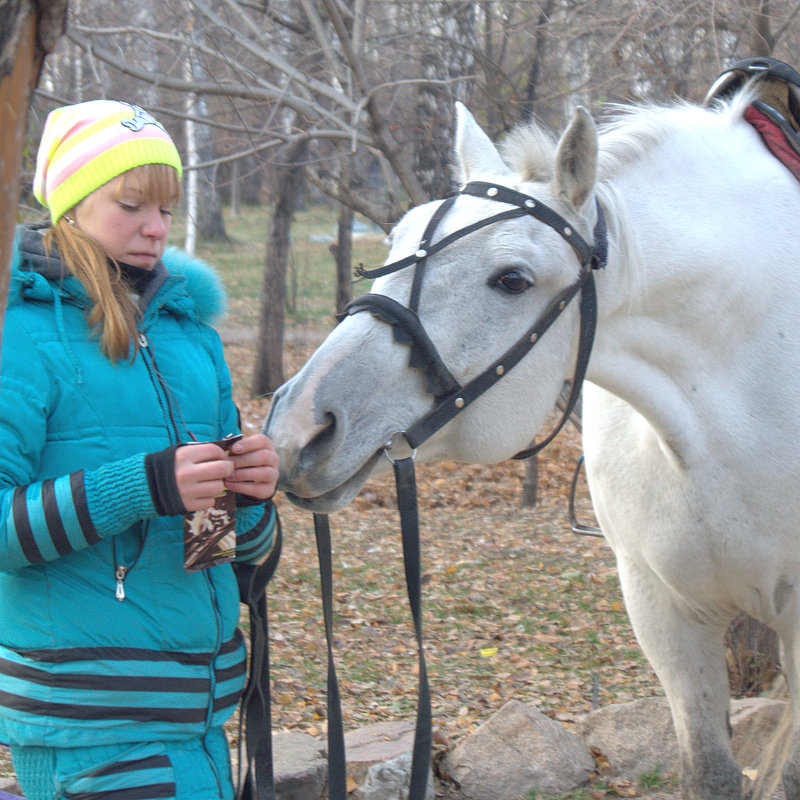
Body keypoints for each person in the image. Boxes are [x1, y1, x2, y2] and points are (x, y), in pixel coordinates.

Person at [0, 99, 279, 800]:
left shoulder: (191, 339)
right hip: (89, 723)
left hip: (199, 715)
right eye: (131, 204)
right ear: (69, 206)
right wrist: (144, 484)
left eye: (165, 207)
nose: (156, 228)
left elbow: (220, 554)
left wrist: (246, 497)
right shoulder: (17, 335)